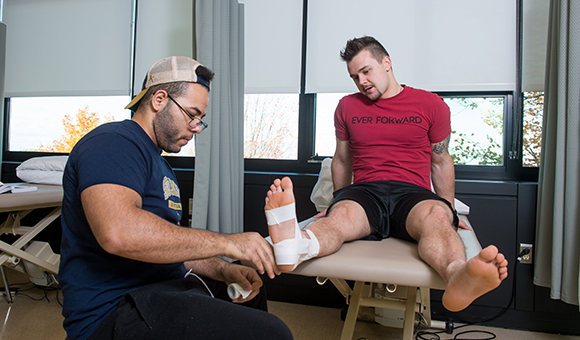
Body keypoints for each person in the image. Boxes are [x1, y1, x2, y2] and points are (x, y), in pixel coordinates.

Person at [264, 36, 508, 312]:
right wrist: (335, 203)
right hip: (366, 192)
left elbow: (440, 162)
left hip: (412, 194)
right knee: (341, 216)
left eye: (366, 71)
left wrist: (450, 210)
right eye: (355, 76)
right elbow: (342, 160)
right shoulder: (347, 106)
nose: (362, 81)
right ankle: (296, 246)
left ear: (387, 63)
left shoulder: (431, 105)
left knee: (437, 217)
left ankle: (457, 275)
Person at [59, 56, 292, 340]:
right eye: (192, 114)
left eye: (200, 120)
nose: (196, 127)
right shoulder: (113, 142)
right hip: (115, 311)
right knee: (273, 333)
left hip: (160, 293)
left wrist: (223, 269)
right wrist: (229, 243)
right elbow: (118, 233)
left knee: (247, 291)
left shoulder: (161, 165)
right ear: (159, 99)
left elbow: (168, 247)